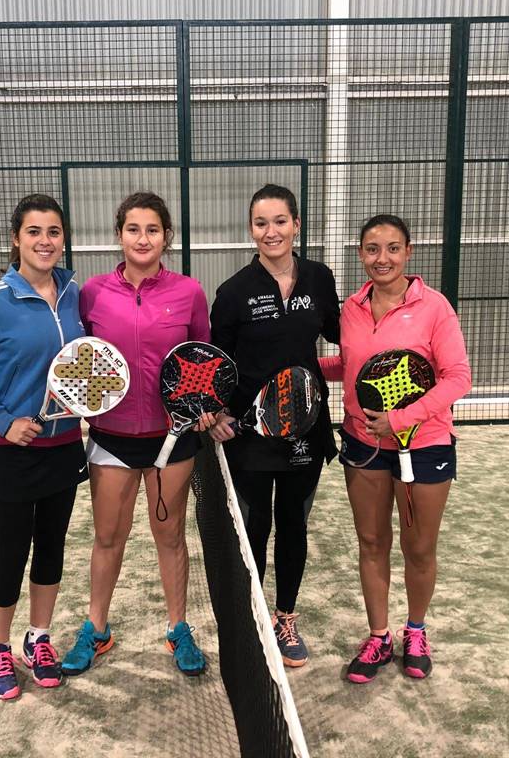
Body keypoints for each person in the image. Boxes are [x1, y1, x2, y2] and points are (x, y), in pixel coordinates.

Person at [60, 191, 210, 677]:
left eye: (152, 230)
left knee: (170, 536)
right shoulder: (92, 293)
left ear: (167, 237)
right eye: (133, 229)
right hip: (111, 437)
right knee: (108, 537)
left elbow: (202, 361)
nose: (142, 239)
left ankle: (178, 628)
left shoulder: (189, 292)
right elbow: (79, 361)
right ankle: (96, 628)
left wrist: (202, 409)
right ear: (119, 235)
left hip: (173, 439)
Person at [0, 194, 87, 699]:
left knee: (51, 549)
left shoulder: (74, 295)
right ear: (16, 238)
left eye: (53, 232)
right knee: (12, 553)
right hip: (9, 452)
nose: (45, 241)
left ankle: (39, 639)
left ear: (63, 239)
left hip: (63, 446)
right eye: (34, 231)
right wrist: (4, 422)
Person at [320, 214, 471, 683]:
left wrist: (400, 421)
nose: (381, 258)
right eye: (371, 249)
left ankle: (416, 631)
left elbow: (458, 378)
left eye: (391, 248)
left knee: (419, 547)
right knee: (372, 542)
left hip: (424, 446)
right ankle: (379, 637)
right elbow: (353, 366)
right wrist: (303, 365)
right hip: (363, 444)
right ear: (360, 254)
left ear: (408, 252)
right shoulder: (352, 308)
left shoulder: (435, 307)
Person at [208, 184, 340, 668]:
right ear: (251, 229)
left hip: (306, 431)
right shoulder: (233, 292)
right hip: (250, 436)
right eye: (261, 223)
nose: (271, 231)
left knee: (293, 526)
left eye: (280, 221)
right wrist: (218, 414)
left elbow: (343, 332)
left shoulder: (320, 278)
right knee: (254, 528)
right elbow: (217, 365)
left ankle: (286, 617)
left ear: (296, 225)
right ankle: (253, 620)